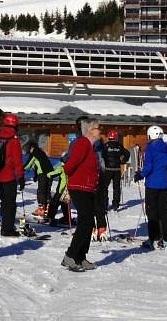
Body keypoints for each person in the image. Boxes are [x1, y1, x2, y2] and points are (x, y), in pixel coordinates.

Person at [135, 125, 167, 250]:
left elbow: (148, 167)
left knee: (152, 212)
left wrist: (140, 175)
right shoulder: (166, 147)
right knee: (164, 211)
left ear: (150, 135)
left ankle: (155, 238)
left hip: (153, 184)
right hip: (165, 183)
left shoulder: (151, 148)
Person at [60, 116, 100, 271]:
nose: (100, 131)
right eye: (97, 128)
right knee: (85, 222)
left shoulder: (90, 146)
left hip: (87, 187)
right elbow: (70, 165)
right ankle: (70, 256)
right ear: (90, 131)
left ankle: (81, 257)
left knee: (89, 223)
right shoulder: (83, 143)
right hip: (79, 187)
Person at [0, 112, 25, 237]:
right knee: (10, 203)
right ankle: (7, 228)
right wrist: (20, 177)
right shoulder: (14, 140)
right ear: (15, 125)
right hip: (9, 176)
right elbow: (18, 161)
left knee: (4, 202)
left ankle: (5, 223)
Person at [24, 140, 54, 218]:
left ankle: (42, 209)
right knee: (47, 191)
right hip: (50, 173)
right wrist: (35, 176)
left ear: (32, 147)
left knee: (41, 191)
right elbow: (37, 165)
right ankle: (48, 209)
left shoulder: (34, 153)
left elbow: (28, 165)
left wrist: (20, 169)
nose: (29, 150)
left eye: (29, 148)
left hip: (43, 174)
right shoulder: (41, 153)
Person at [101, 131, 130, 211]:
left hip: (107, 169)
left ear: (109, 137)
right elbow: (127, 153)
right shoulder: (119, 146)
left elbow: (101, 155)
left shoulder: (105, 146)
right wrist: (123, 161)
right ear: (116, 138)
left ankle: (104, 205)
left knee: (104, 187)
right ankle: (115, 204)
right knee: (116, 187)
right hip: (117, 169)